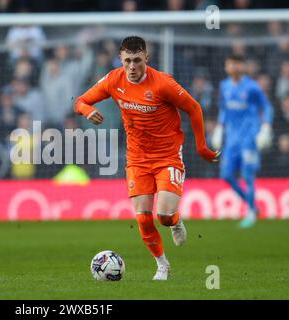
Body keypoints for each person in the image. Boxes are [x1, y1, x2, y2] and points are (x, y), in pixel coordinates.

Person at [74, 36, 219, 280]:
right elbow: (80, 101)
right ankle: (162, 265)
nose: (132, 67)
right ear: (120, 59)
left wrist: (202, 147)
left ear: (146, 58)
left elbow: (194, 108)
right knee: (142, 218)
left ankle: (174, 221)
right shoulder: (113, 79)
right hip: (137, 158)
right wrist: (88, 111)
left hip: (167, 156)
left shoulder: (163, 84)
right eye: (128, 60)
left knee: (162, 215)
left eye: (137, 60)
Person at [212, 54, 274, 229]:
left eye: (237, 64)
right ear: (226, 67)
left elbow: (267, 107)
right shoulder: (224, 86)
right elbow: (223, 109)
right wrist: (219, 128)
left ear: (242, 66)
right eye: (231, 64)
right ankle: (253, 205)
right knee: (226, 175)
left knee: (248, 175)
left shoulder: (252, 87)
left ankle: (251, 211)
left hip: (249, 139)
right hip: (231, 141)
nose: (234, 67)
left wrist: (266, 126)